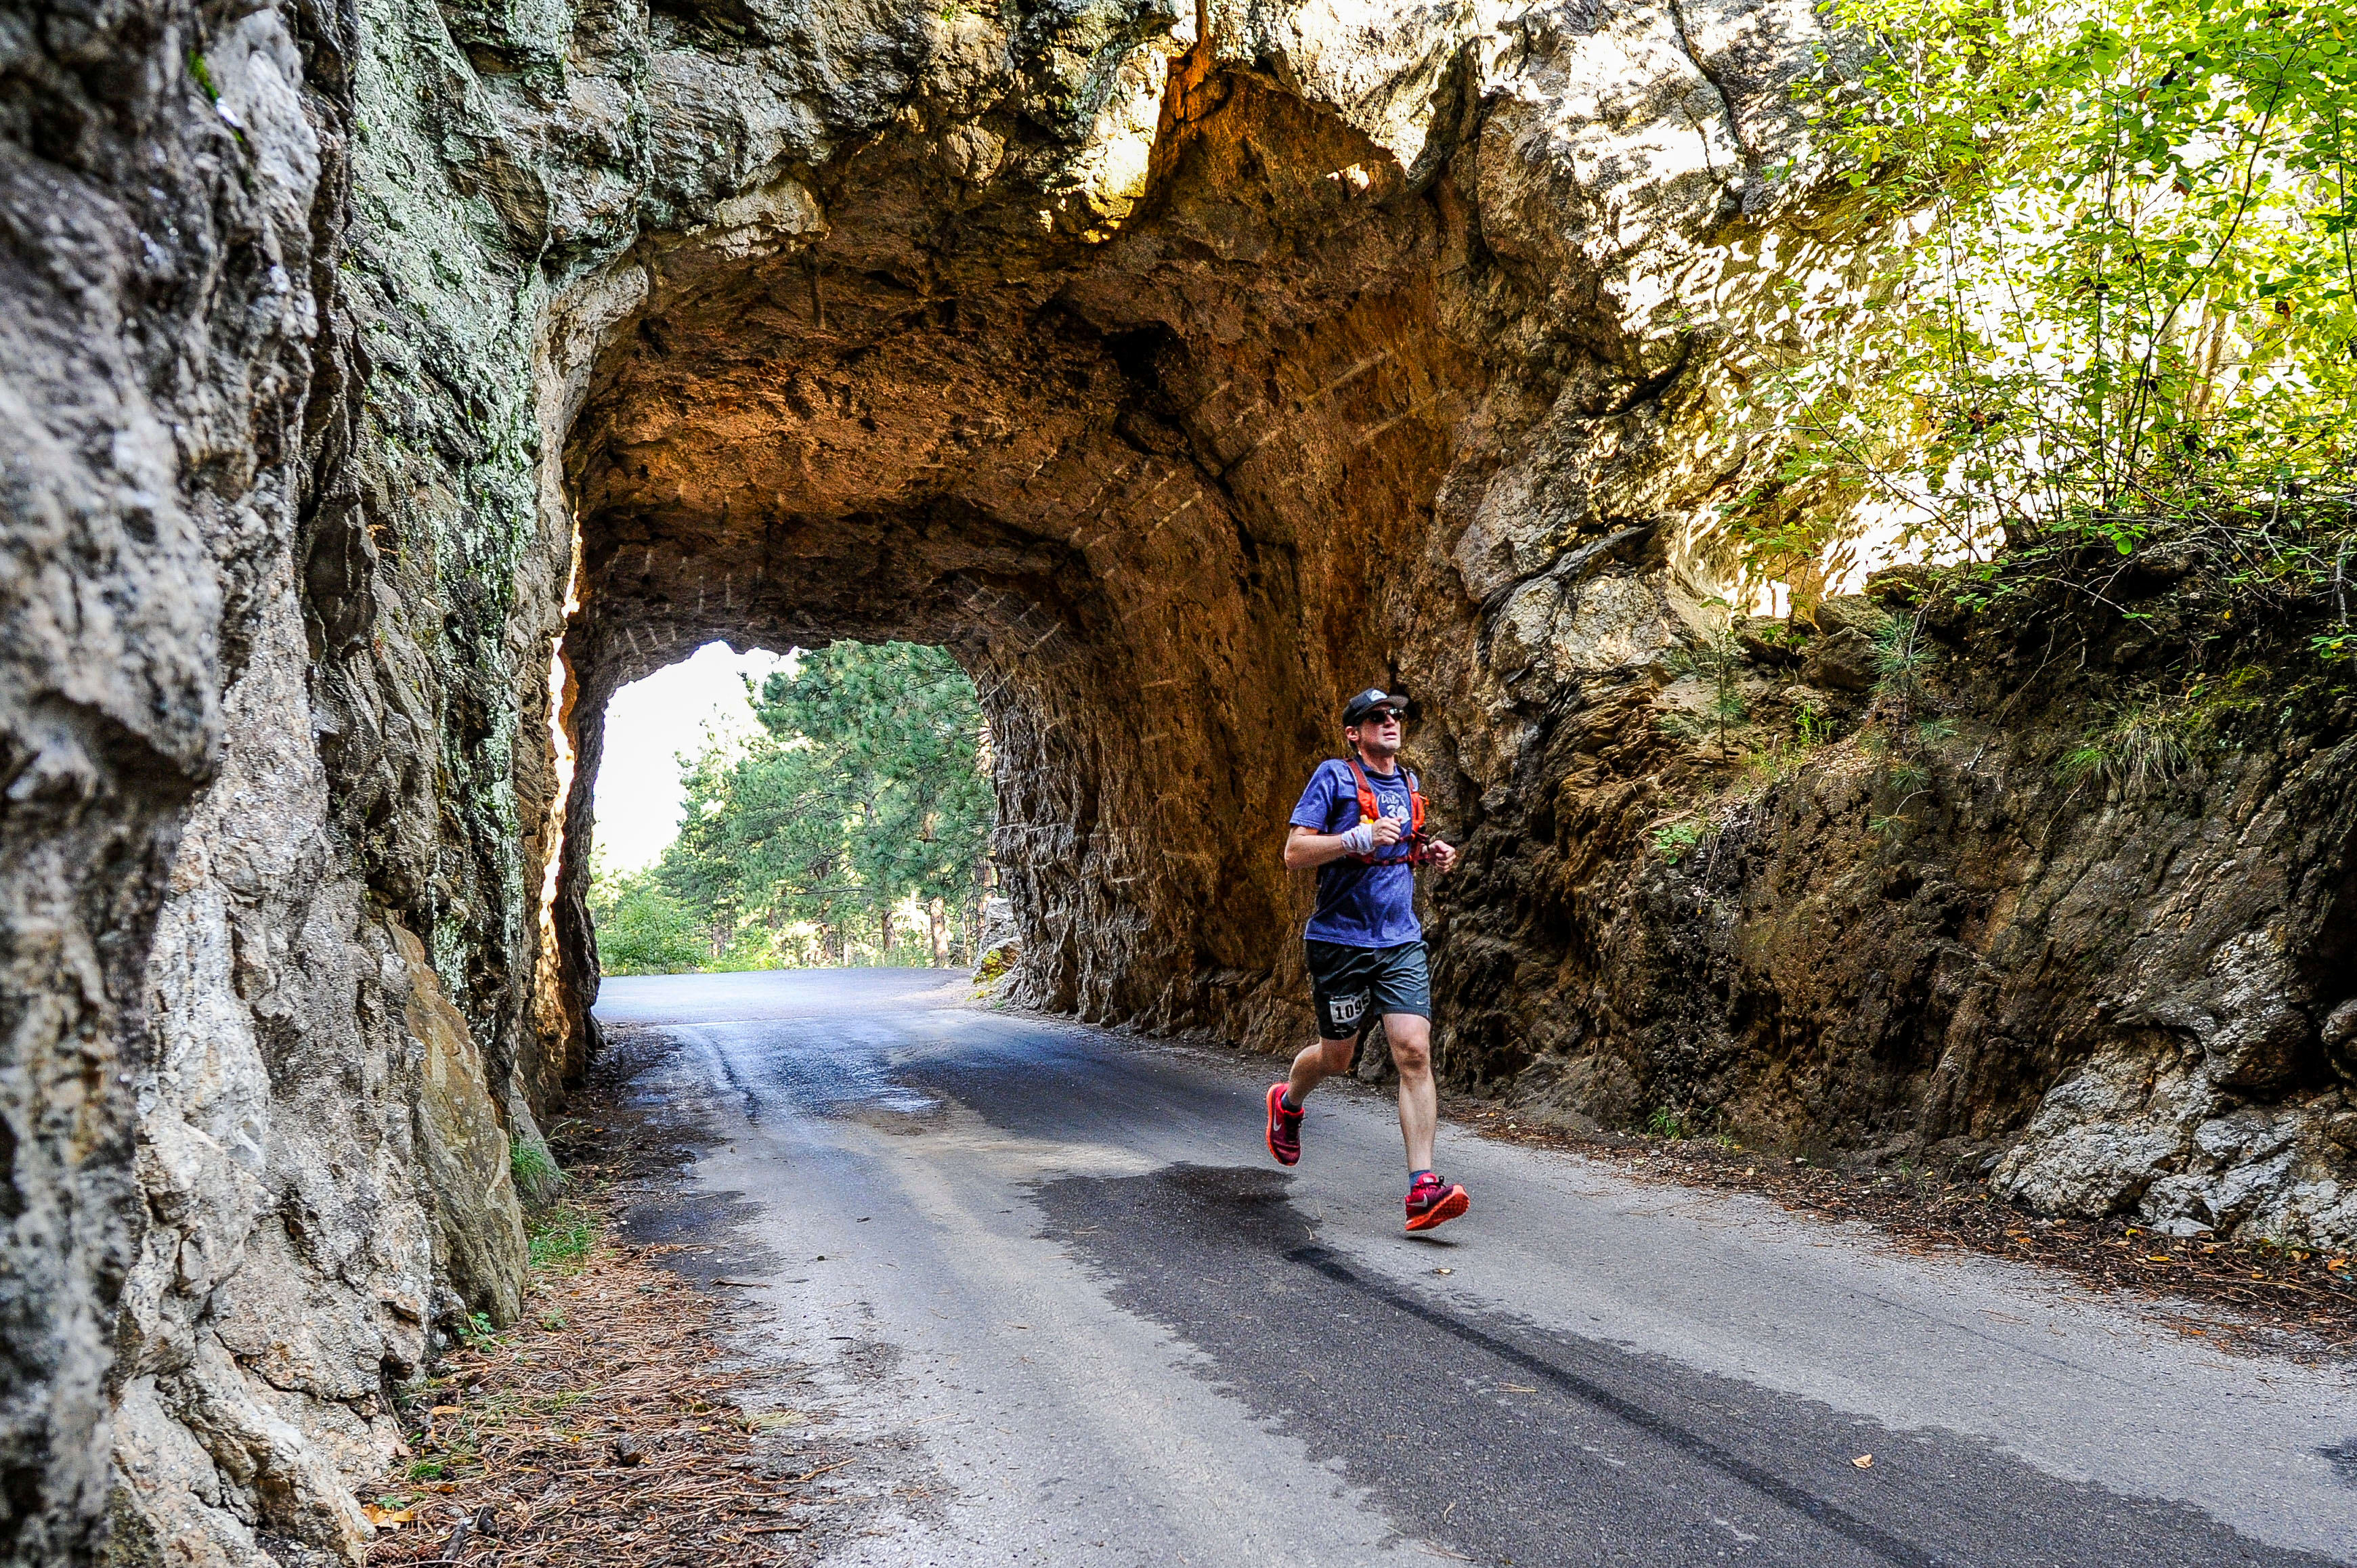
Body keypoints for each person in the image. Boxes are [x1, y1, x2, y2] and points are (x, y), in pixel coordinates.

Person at [1266, 687, 1467, 1231]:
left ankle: (1422, 1188)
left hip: (1398, 940)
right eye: (1376, 717)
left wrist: (1428, 851)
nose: (1390, 722)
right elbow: (1294, 853)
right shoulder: (1332, 777)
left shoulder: (1408, 782)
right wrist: (1355, 836)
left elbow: (1400, 844)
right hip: (1339, 942)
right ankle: (1287, 1101)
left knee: (1414, 1052)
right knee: (1337, 1058)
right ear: (1354, 733)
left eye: (1395, 715)